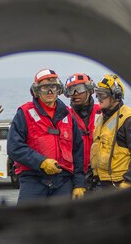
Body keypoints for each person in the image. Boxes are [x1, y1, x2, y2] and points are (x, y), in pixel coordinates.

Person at [7, 69, 87, 202]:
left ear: (59, 90)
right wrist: (41, 162)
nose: (50, 92)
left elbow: (78, 150)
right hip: (33, 179)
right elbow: (14, 147)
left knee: (63, 221)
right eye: (44, 87)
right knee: (27, 220)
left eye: (53, 87)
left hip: (62, 181)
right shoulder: (25, 113)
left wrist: (79, 184)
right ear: (36, 91)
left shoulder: (68, 115)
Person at [91, 73, 131, 190]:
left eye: (102, 95)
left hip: (123, 183)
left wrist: (129, 181)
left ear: (116, 96)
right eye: (97, 94)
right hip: (105, 183)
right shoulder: (102, 118)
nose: (98, 99)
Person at [64, 72, 99, 182]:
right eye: (71, 90)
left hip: (100, 176)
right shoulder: (65, 116)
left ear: (89, 90)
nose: (75, 93)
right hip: (75, 175)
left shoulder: (102, 112)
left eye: (79, 88)